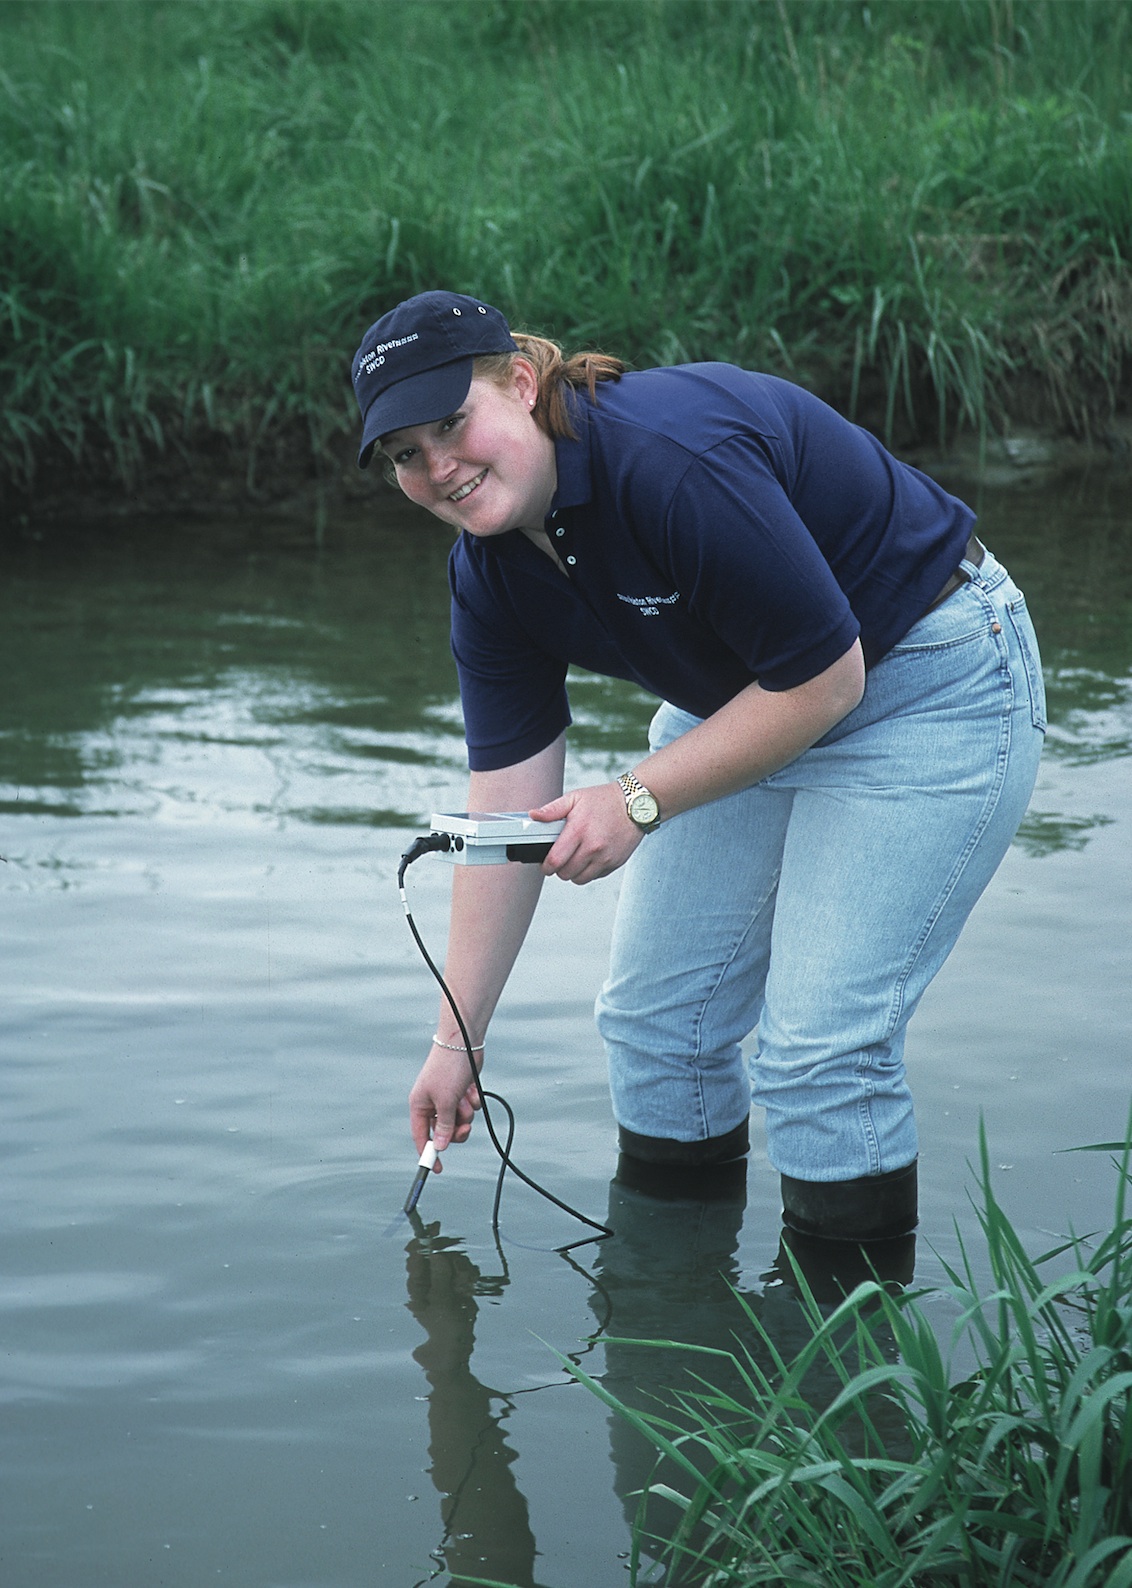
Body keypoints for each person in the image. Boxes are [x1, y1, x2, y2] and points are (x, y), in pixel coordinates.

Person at [350, 289, 1045, 1243]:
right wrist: (459, 1039)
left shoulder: (668, 460)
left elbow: (826, 680)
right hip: (747, 696)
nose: (440, 468)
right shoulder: (489, 570)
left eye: (451, 424)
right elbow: (507, 805)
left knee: (819, 1056)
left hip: (921, 680)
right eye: (404, 456)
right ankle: (677, 1346)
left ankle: (847, 1367)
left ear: (520, 382)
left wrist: (636, 798)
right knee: (654, 1029)